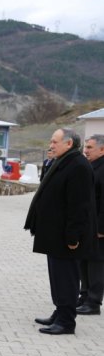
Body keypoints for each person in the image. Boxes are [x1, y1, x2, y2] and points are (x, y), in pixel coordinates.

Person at [25, 128, 97, 335]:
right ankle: (60, 311)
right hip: (55, 235)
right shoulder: (64, 161)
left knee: (66, 278)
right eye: (51, 141)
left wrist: (73, 236)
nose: (51, 145)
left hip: (67, 238)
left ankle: (66, 321)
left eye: (55, 142)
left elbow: (79, 206)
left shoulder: (78, 166)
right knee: (57, 277)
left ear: (68, 144)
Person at [77, 135, 104, 315]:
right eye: (85, 147)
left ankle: (94, 301)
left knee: (96, 265)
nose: (85, 150)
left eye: (90, 147)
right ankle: (84, 295)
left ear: (102, 149)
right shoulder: (91, 166)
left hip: (98, 228)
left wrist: (101, 228)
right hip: (86, 226)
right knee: (83, 262)